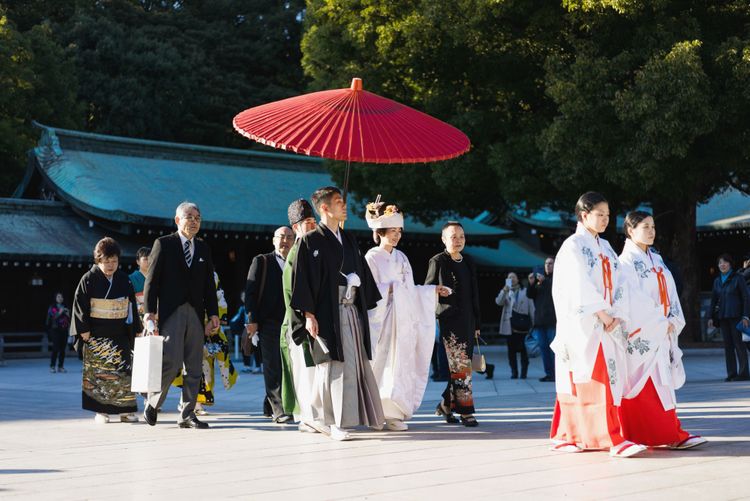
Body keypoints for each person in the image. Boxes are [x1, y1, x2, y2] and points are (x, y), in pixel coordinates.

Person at [549, 191, 646, 458]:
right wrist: (604, 316)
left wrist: (618, 314)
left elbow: (620, 283)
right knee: (591, 377)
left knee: (601, 378)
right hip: (586, 324)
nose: (605, 220)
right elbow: (579, 286)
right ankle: (608, 437)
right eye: (599, 214)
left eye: (607, 215)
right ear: (583, 215)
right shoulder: (572, 246)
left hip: (607, 321)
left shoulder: (605, 247)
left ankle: (570, 434)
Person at [289, 186, 384, 441]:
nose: (344, 206)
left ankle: (354, 417)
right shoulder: (310, 241)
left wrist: (356, 283)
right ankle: (330, 421)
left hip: (350, 309)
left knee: (354, 364)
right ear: (324, 208)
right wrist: (308, 315)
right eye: (339, 202)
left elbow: (361, 272)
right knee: (331, 366)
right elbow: (303, 281)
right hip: (326, 313)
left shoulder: (349, 239)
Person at [618, 211, 706, 449]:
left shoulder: (657, 260)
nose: (651, 231)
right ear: (630, 230)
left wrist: (672, 319)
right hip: (643, 331)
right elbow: (632, 299)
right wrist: (659, 321)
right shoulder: (624, 263)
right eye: (645, 226)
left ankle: (669, 432)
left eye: (653, 226)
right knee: (643, 385)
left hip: (661, 329)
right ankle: (646, 435)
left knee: (662, 384)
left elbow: (671, 293)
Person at [364, 199, 451, 431]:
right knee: (381, 366)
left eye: (399, 231)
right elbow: (368, 291)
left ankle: (394, 414)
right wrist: (391, 288)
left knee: (400, 367)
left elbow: (410, 290)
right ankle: (374, 413)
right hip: (383, 320)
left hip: (402, 321)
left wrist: (432, 290)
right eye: (392, 231)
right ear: (380, 231)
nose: (396, 236)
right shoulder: (371, 257)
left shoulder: (402, 258)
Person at [142, 201, 219, 429]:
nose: (194, 221)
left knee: (194, 366)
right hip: (171, 311)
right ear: (177, 220)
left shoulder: (203, 248)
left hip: (196, 312)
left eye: (197, 217)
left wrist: (213, 314)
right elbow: (151, 281)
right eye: (189, 217)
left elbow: (208, 285)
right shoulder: (164, 244)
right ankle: (153, 403)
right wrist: (149, 313)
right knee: (171, 361)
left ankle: (187, 413)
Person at [70, 237, 141, 424]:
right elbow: (79, 305)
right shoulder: (88, 279)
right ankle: (101, 411)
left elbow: (131, 306)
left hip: (119, 333)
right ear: (98, 260)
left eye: (114, 261)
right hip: (96, 334)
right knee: (99, 373)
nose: (111, 265)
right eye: (107, 261)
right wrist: (83, 329)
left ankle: (125, 411)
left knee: (123, 371)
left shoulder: (124, 280)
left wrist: (136, 329)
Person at [279, 198, 328, 434]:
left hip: (315, 318)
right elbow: (294, 291)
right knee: (305, 370)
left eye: (313, 221)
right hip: (300, 321)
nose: (311, 226)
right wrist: (306, 315)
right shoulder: (297, 251)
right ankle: (307, 416)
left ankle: (313, 414)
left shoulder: (313, 249)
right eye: (306, 222)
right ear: (295, 227)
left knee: (316, 370)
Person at [426, 221, 481, 427]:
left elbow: (475, 293)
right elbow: (428, 289)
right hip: (449, 320)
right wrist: (437, 291)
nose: (457, 240)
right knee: (460, 366)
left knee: (461, 367)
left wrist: (477, 322)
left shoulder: (468, 261)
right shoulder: (438, 261)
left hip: (468, 320)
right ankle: (466, 412)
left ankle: (446, 405)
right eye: (453, 236)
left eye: (461, 236)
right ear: (443, 239)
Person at [245, 226, 295, 424]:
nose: (285, 241)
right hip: (269, 322)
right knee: (273, 365)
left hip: (292, 321)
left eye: (290, 237)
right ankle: (279, 408)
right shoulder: (262, 261)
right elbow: (250, 292)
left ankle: (269, 402)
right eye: (282, 237)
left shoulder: (297, 262)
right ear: (274, 240)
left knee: (289, 365)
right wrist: (252, 321)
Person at [173, 273, 237, 415]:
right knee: (188, 365)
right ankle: (187, 401)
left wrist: (215, 321)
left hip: (209, 324)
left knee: (206, 366)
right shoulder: (182, 269)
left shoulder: (212, 275)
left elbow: (219, 297)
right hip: (187, 322)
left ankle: (198, 403)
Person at [707, 253, 750, 381]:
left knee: (739, 345)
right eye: (720, 263)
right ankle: (731, 373)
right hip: (723, 317)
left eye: (725, 262)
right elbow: (713, 300)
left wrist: (746, 317)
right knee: (728, 346)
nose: (722, 265)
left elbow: (746, 298)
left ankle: (743, 374)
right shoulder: (717, 281)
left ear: (730, 264)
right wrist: (710, 317)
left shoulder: (738, 278)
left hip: (737, 316)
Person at [496, 272, 535, 379]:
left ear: (518, 279)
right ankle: (514, 372)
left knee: (524, 351)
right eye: (509, 277)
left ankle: (524, 372)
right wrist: (504, 290)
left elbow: (531, 307)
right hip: (510, 325)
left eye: (513, 277)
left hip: (523, 324)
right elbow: (499, 302)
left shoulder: (525, 291)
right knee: (511, 351)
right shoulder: (506, 291)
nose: (511, 279)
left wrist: (534, 323)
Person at [527, 257, 556, 382]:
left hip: (552, 321)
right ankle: (549, 373)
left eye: (550, 263)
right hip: (539, 321)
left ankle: (557, 374)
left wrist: (544, 282)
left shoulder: (556, 279)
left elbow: (554, 292)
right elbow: (530, 295)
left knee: (553, 349)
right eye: (546, 264)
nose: (548, 266)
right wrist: (531, 283)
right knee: (543, 349)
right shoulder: (539, 281)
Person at [45, 292, 71, 373]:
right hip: (55, 330)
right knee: (55, 348)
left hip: (64, 329)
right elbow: (54, 317)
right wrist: (60, 311)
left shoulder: (65, 306)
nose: (60, 298)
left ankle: (61, 366)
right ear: (55, 298)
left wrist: (67, 313)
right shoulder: (52, 307)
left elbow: (69, 318)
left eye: (61, 297)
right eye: (58, 297)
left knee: (63, 349)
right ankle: (52, 366)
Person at [129, 247, 151, 322]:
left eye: (151, 258)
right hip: (138, 317)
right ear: (138, 261)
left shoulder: (157, 278)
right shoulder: (131, 279)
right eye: (145, 259)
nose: (149, 262)